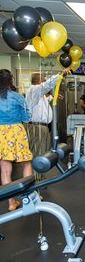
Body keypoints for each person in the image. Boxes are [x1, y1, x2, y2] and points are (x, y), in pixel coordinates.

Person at [0, 69, 33, 211]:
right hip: (16, 131)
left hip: (1, 132)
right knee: (26, 163)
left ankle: (11, 203)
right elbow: (27, 118)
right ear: (10, 81)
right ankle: (30, 198)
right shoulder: (17, 97)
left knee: (5, 169)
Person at [25, 70, 69, 159]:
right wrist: (60, 75)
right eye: (43, 80)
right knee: (38, 153)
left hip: (41, 127)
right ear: (38, 81)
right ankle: (35, 173)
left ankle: (38, 173)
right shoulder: (34, 89)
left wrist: (53, 97)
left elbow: (42, 105)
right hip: (36, 128)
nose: (45, 81)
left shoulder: (38, 95)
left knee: (42, 152)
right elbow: (47, 86)